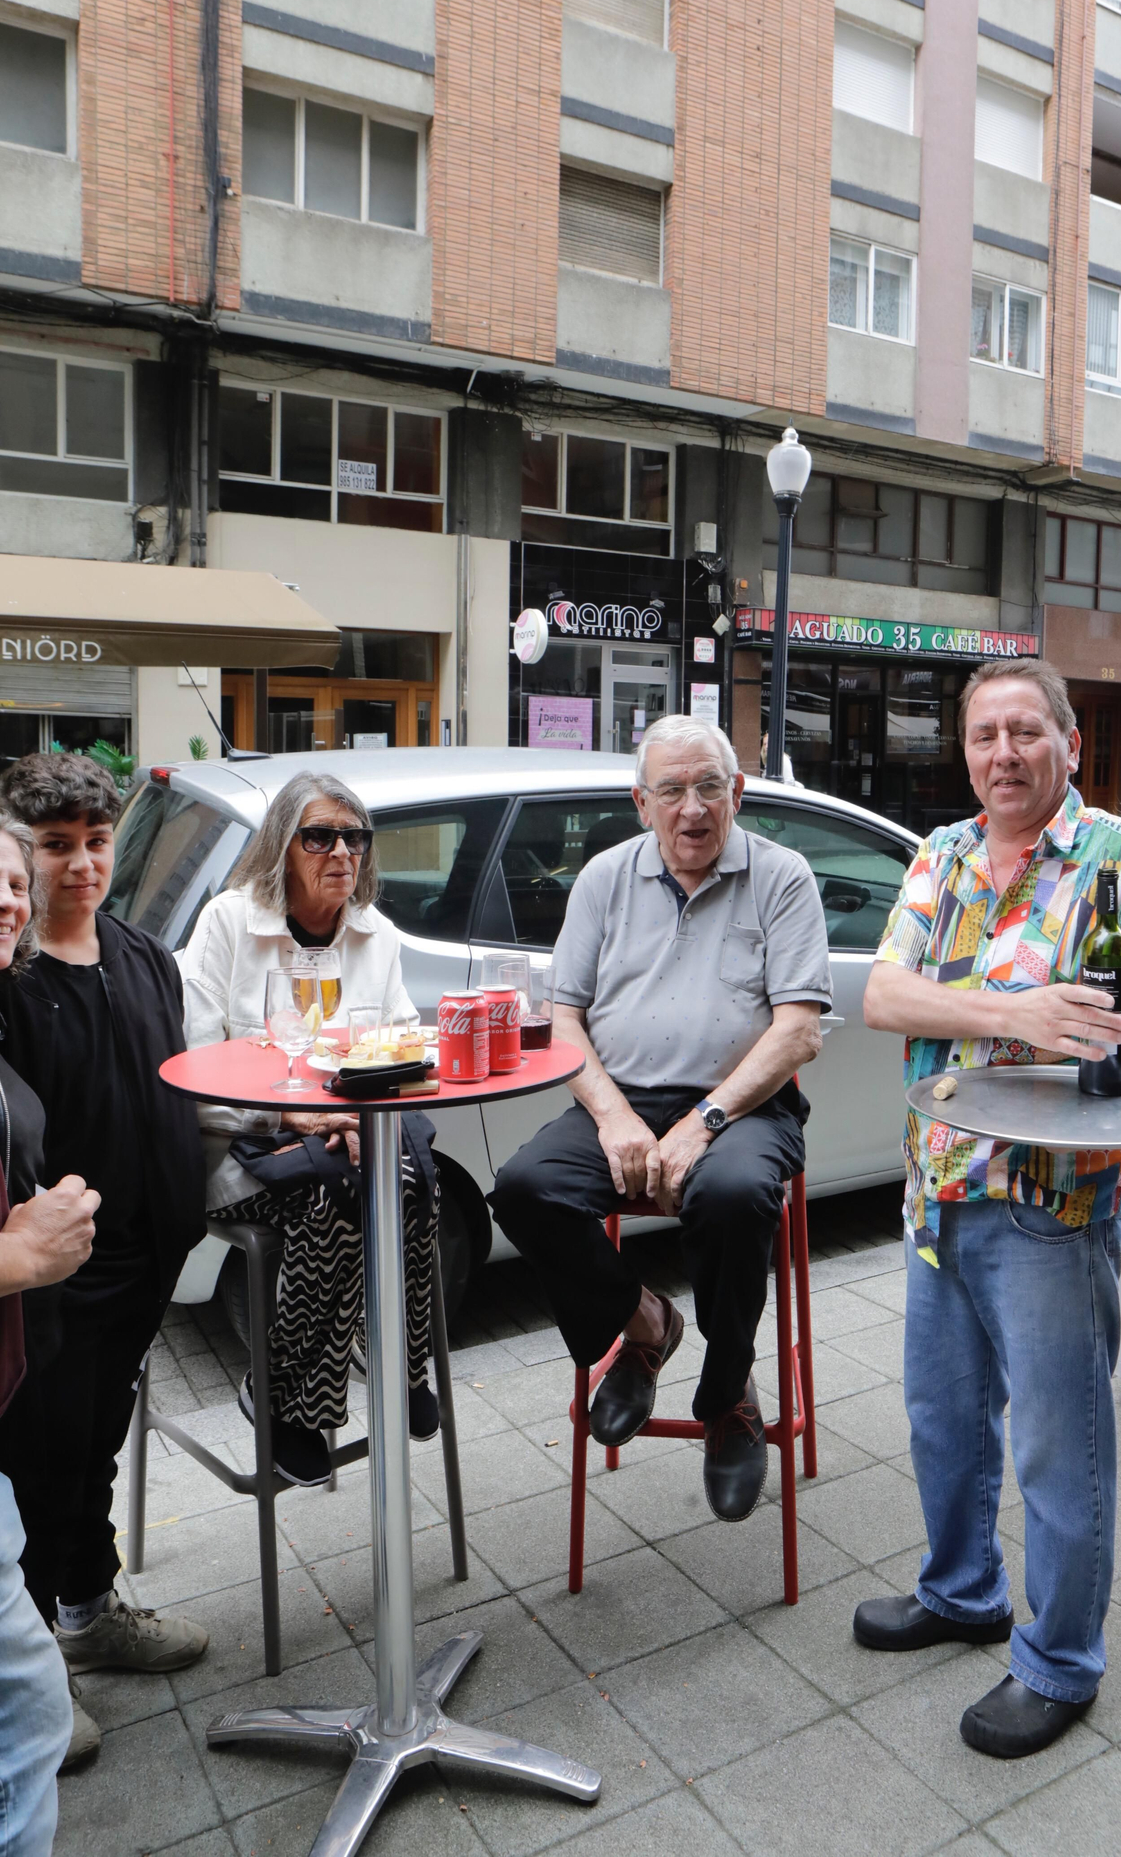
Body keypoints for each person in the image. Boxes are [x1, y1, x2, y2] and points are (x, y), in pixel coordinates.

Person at [855, 657, 1121, 1759]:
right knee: (944, 1424)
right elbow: (883, 994)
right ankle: (963, 1590)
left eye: (1025, 730)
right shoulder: (943, 854)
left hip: (1055, 1204)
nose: (1003, 753)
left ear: (1068, 739)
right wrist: (1016, 1008)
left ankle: (1060, 1659)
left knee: (1063, 1452)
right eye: (983, 735)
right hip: (941, 1187)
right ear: (964, 751)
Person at [490, 714, 831, 1520]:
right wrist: (612, 1118)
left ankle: (727, 1399)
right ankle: (643, 1326)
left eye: (709, 787)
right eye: (671, 790)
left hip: (743, 1104)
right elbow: (563, 1016)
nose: (692, 809)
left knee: (734, 1195)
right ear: (641, 803)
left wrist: (704, 1121)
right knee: (523, 1188)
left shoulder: (782, 877)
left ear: (737, 793)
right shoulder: (605, 878)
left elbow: (798, 1030)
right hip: (625, 1097)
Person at [0, 757, 210, 1762]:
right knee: (40, 1458)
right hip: (48, 1278)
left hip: (143, 1257)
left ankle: (89, 1610)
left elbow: (177, 1087)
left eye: (95, 839)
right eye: (54, 844)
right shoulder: (11, 979)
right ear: (21, 851)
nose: (81, 862)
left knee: (98, 1445)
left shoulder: (144, 954)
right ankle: (32, 1656)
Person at [178, 771, 440, 1489]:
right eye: (319, 836)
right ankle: (287, 1399)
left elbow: (402, 1046)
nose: (341, 853)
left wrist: (353, 1110)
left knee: (413, 1182)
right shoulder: (230, 923)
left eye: (355, 838)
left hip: (349, 1138)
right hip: (241, 1144)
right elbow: (194, 1066)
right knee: (339, 1202)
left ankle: (398, 1365)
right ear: (281, 848)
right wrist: (287, 1112)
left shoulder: (373, 934)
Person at [0, 809, 101, 1844]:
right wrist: (20, 1254)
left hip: (41, 1335)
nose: (10, 898)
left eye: (8, 881)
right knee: (28, 1714)